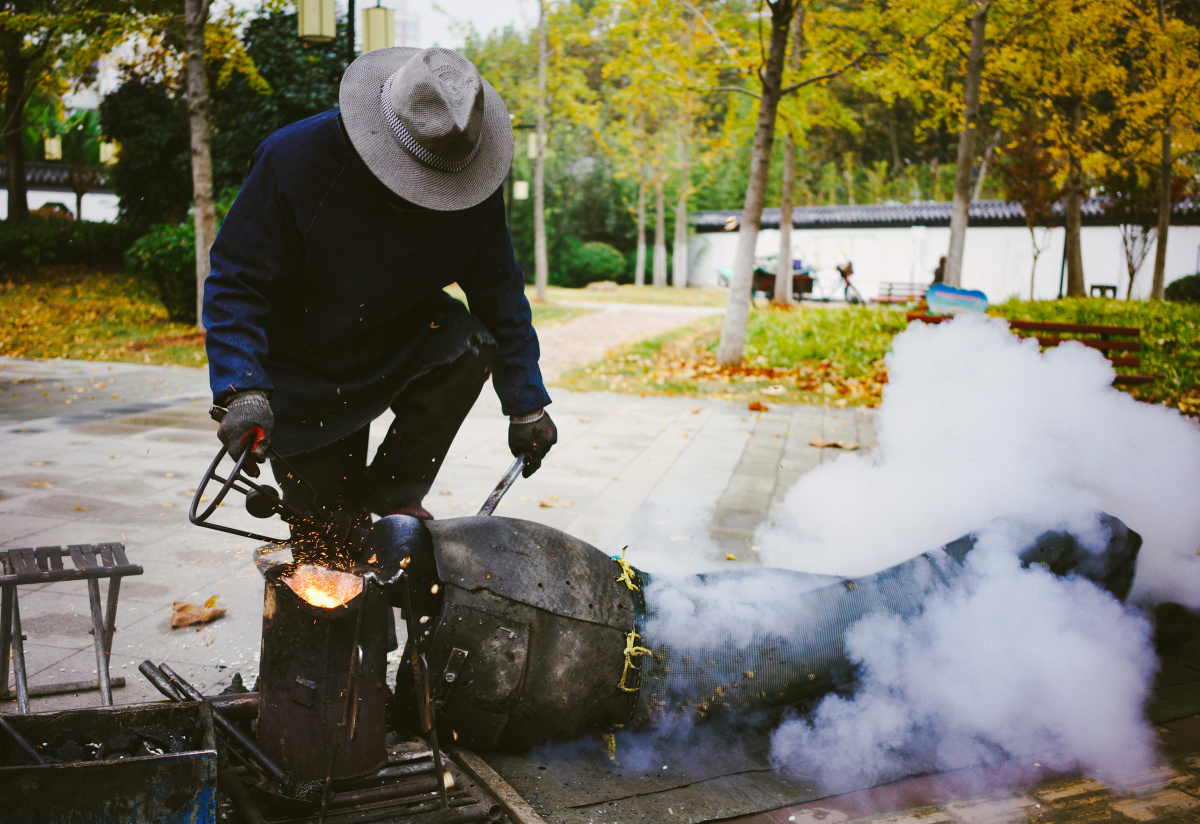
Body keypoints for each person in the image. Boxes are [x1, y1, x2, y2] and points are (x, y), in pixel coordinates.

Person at [202, 46, 557, 540]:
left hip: (395, 341)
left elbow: (500, 294)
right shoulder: (293, 160)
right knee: (331, 550)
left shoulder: (471, 184)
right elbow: (235, 280)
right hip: (300, 367)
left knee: (469, 340)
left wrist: (527, 404)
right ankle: (339, 532)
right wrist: (242, 387)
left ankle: (393, 494)